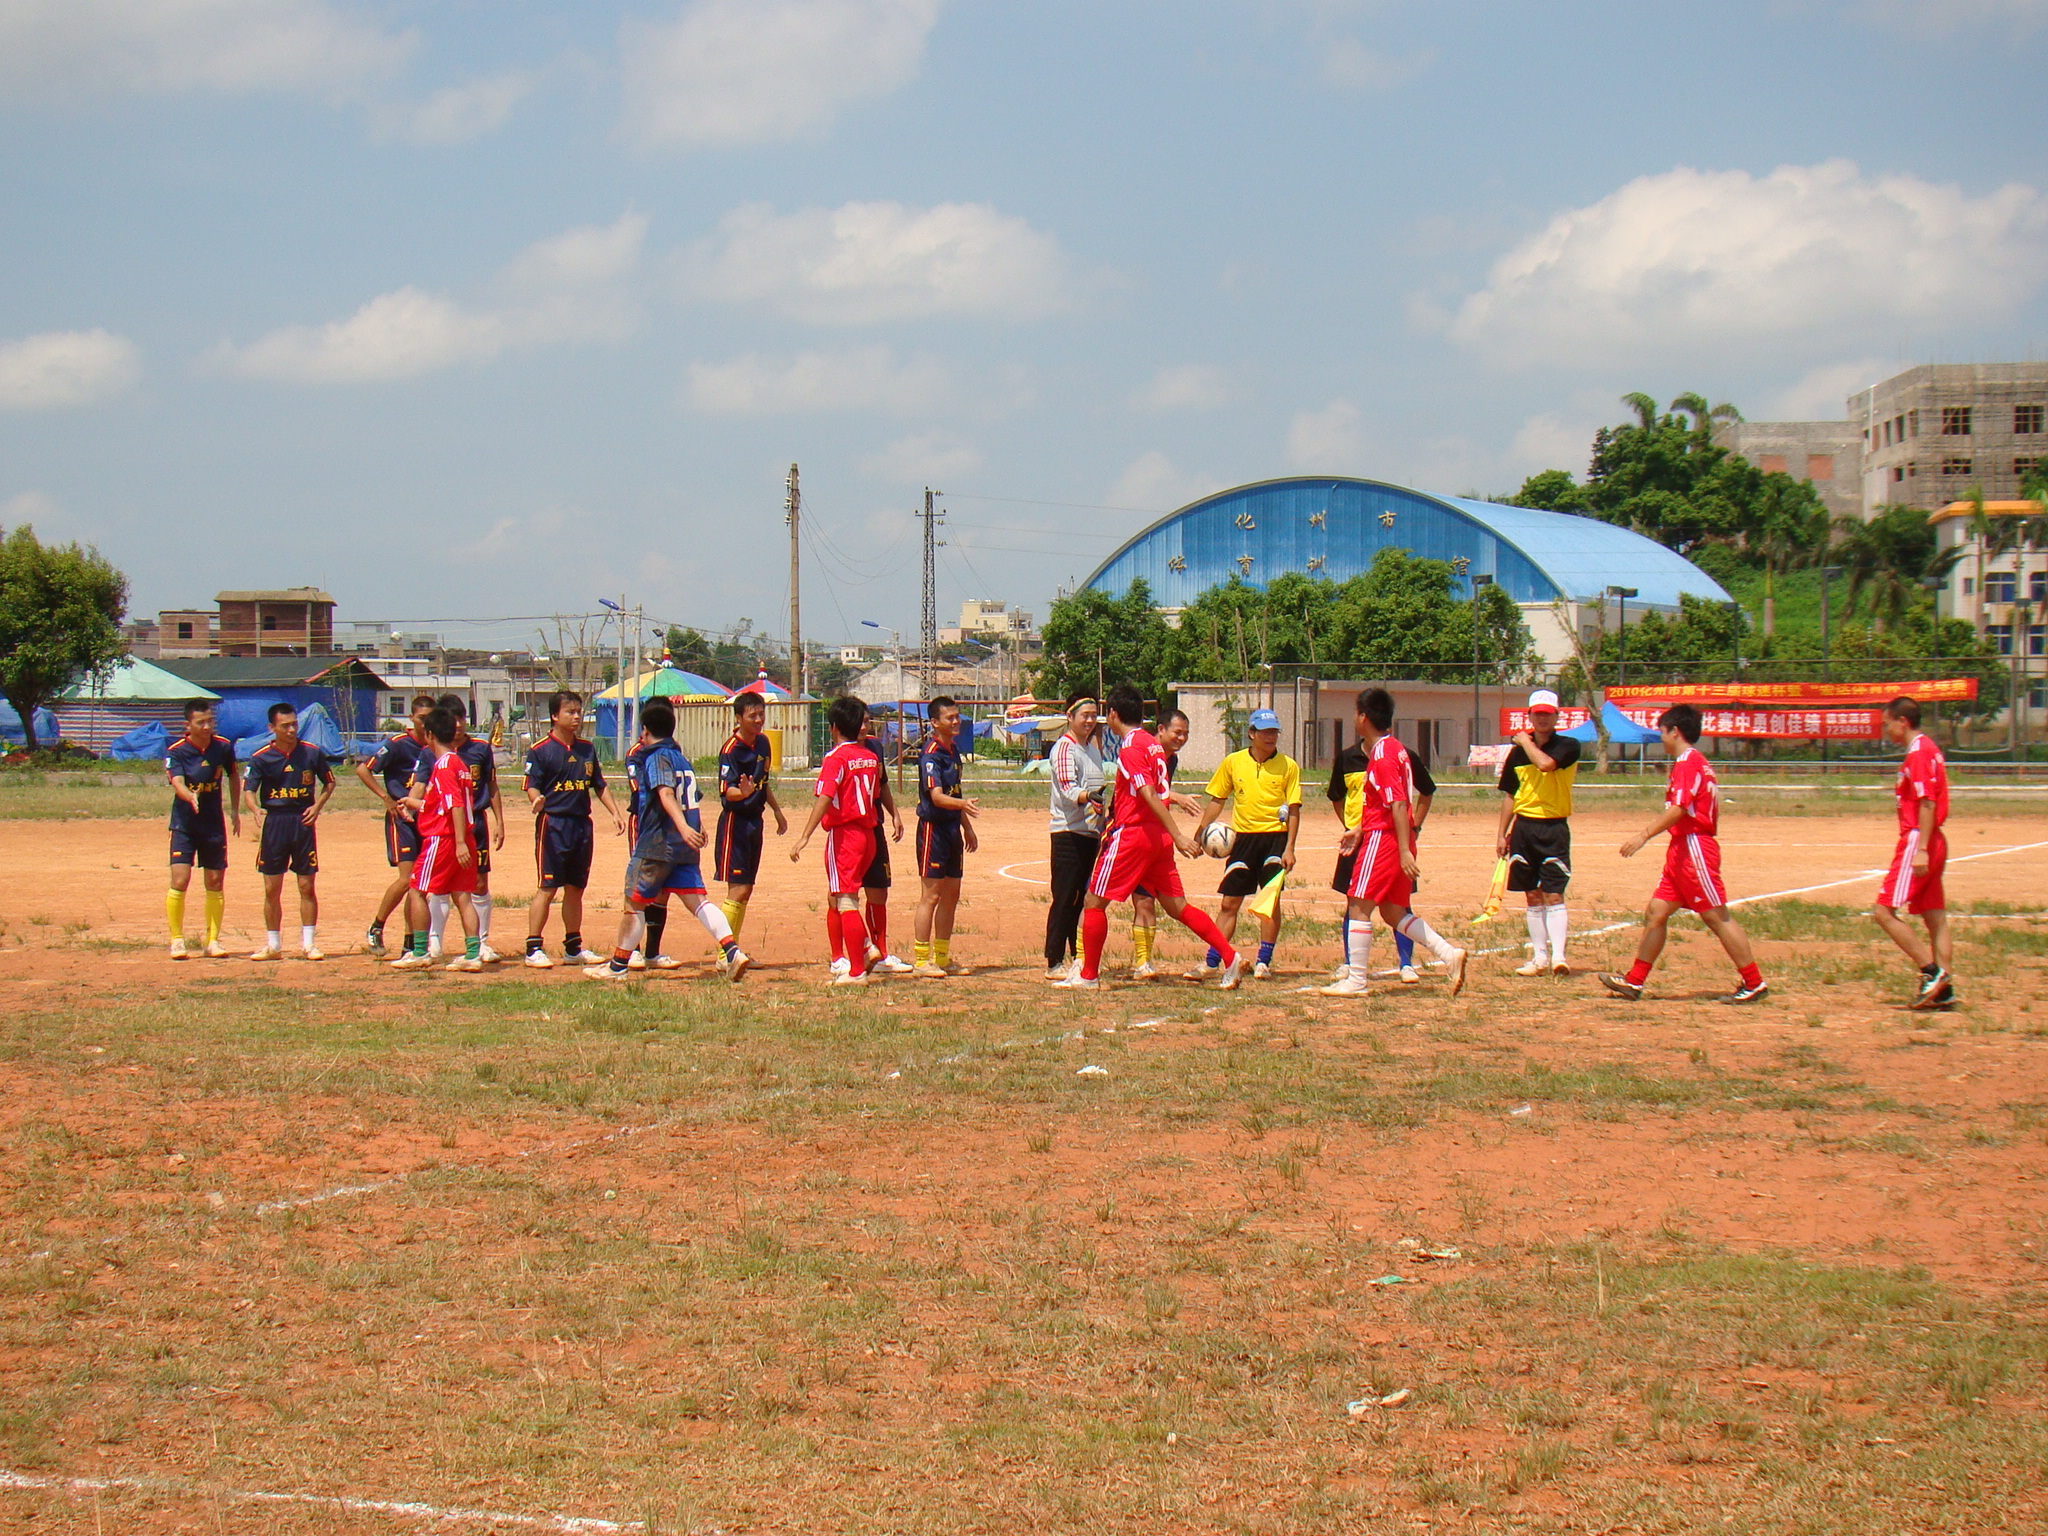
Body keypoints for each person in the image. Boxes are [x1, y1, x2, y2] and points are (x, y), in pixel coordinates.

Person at [1056, 685, 1244, 990]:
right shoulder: (1153, 746)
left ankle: (1088, 976)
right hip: (1157, 839)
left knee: (1093, 902)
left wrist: (1179, 835)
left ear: (1113, 714)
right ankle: (1230, 957)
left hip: (1134, 835)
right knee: (1177, 907)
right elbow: (1159, 791)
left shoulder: (1131, 747)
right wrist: (1171, 833)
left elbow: (1148, 793)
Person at [1598, 705, 1769, 1005]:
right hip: (1682, 850)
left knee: (1716, 916)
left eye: (1662, 732)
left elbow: (1679, 809)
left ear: (1674, 731)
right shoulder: (1692, 762)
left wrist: (1643, 835)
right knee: (1656, 912)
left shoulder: (1689, 762)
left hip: (1693, 848)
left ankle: (1754, 982)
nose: (1661, 738)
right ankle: (1634, 981)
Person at [587, 700, 749, 982]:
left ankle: (617, 967)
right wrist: (695, 828)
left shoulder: (657, 757)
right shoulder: (681, 758)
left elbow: (666, 794)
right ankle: (732, 952)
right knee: (699, 902)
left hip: (658, 843)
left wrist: (684, 828)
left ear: (645, 730)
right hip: (684, 849)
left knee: (634, 903)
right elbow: (691, 800)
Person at [1321, 688, 1467, 998]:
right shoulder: (1395, 748)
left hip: (1384, 841)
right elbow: (1385, 804)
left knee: (1358, 905)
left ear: (1363, 717)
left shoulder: (1383, 755)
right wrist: (1359, 828)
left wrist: (1402, 850)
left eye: (1355, 713)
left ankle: (1356, 980)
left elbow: (1398, 804)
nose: (1354, 718)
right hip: (1384, 835)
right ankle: (1449, 954)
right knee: (1392, 912)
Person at [1188, 708, 1301, 980]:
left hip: (1275, 839)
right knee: (1229, 902)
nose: (1270, 737)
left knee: (1269, 903)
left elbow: (1294, 809)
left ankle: (1263, 961)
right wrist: (1200, 833)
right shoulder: (1233, 762)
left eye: (1274, 732)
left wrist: (1289, 848)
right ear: (1251, 733)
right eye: (1265, 732)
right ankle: (1212, 961)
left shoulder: (1289, 766)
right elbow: (1218, 800)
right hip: (1243, 840)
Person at [521, 690, 626, 969]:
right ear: (555, 716)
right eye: (570, 712)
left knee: (575, 888)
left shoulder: (586, 749)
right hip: (553, 825)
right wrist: (536, 800)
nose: (577, 716)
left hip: (581, 826)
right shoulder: (540, 750)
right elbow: (532, 785)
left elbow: (599, 785)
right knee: (547, 887)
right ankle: (533, 948)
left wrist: (615, 813)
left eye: (579, 711)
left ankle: (573, 948)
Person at [1329, 717, 1438, 985]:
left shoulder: (1395, 755)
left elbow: (1413, 796)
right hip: (1361, 839)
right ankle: (1351, 964)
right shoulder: (1348, 757)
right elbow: (1337, 797)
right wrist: (1353, 828)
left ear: (1364, 719)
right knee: (1358, 904)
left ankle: (1403, 965)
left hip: (1384, 839)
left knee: (1378, 904)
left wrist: (1412, 830)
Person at [790, 695, 883, 985]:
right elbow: (875, 794)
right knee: (840, 896)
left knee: (845, 899)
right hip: (868, 833)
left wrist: (805, 835)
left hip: (845, 835)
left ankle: (856, 971)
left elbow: (825, 797)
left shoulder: (836, 758)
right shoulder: (870, 757)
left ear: (833, 727)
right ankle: (864, 948)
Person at [1871, 695, 1955, 1010]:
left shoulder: (1919, 753)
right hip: (1933, 840)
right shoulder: (1928, 748)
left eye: (1887, 724)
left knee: (1883, 912)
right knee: (1935, 916)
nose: (1886, 730)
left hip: (1919, 838)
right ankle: (1944, 989)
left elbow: (1927, 802)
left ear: (1903, 721)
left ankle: (1931, 972)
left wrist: (1920, 849)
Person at [390, 705, 484, 972]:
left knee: (417, 890)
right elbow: (443, 804)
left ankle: (420, 951)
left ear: (430, 735)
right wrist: (414, 802)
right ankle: (473, 954)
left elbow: (455, 804)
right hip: (462, 835)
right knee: (463, 897)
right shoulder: (459, 763)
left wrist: (459, 842)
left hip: (443, 839)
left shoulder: (442, 765)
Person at [1496, 688, 1581, 977]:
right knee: (1532, 895)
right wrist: (1501, 833)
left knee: (1553, 894)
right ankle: (1539, 957)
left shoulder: (1567, 746)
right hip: (1524, 828)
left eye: (1547, 714)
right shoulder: (1517, 754)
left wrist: (1524, 741)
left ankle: (1559, 957)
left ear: (1557, 716)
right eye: (1537, 714)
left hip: (1553, 828)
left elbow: (1545, 764)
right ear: (1529, 716)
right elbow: (1510, 794)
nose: (1542, 719)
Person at [239, 702, 334, 962]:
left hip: (302, 822)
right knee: (272, 888)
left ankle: (309, 944)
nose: (291, 730)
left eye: (294, 724)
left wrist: (317, 806)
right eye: (285, 726)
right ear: (272, 728)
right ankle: (273, 945)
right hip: (275, 823)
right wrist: (255, 809)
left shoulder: (312, 753)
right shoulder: (261, 757)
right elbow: (249, 790)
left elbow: (329, 782)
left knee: (306, 885)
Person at [356, 693, 435, 959]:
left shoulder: (436, 747)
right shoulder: (398, 744)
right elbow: (363, 769)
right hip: (401, 820)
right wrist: (386, 798)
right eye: (421, 718)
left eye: (430, 718)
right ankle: (377, 926)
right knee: (407, 880)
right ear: (411, 718)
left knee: (419, 886)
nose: (425, 723)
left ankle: (409, 942)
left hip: (426, 819)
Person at [714, 690, 788, 949]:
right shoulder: (731, 750)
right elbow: (726, 791)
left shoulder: (763, 743)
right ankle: (725, 953)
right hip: (735, 824)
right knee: (738, 889)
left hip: (755, 823)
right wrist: (742, 793)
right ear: (738, 718)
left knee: (747, 890)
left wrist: (776, 810)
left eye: (761, 714)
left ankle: (733, 949)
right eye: (752, 715)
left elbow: (762, 782)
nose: (758, 720)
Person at [911, 696, 980, 978]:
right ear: (935, 723)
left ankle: (942, 957)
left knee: (952, 894)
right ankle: (921, 960)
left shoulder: (953, 751)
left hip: (952, 829)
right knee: (931, 895)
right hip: (934, 830)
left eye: (957, 716)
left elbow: (955, 792)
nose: (955, 721)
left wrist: (967, 827)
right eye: (949, 718)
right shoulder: (931, 755)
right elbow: (938, 797)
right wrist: (963, 805)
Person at [166, 698, 238, 959]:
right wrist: (189, 795)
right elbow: (177, 781)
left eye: (210, 721)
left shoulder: (223, 747)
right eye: (201, 722)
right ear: (188, 725)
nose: (207, 727)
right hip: (184, 824)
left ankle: (213, 941)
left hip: (213, 824)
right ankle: (177, 940)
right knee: (180, 879)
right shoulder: (177, 751)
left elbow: (233, 775)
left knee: (215, 881)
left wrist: (234, 810)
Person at [1044, 694, 1108, 979]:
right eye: (1085, 715)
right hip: (1068, 833)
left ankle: (1078, 957)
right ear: (1069, 716)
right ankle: (1054, 961)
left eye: (1094, 715)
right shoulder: (1064, 748)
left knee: (1083, 899)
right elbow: (1068, 788)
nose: (1090, 720)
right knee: (1065, 898)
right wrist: (1088, 797)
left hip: (1090, 833)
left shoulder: (1092, 749)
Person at [1131, 709, 1198, 979]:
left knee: (1146, 901)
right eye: (1177, 732)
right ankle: (1082, 962)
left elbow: (1160, 792)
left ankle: (1143, 963)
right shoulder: (1145, 751)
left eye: (1186, 734)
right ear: (1160, 729)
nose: (1181, 738)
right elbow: (1147, 792)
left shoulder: (1171, 759)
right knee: (1095, 900)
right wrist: (1177, 798)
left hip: (1154, 837)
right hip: (1130, 834)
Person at [844, 722, 911, 977]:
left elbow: (882, 785)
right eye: (858, 721)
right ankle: (840, 957)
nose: (862, 726)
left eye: (866, 720)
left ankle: (880, 953)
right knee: (842, 894)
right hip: (848, 832)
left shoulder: (874, 747)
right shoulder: (841, 752)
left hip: (874, 827)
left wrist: (894, 814)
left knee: (878, 890)